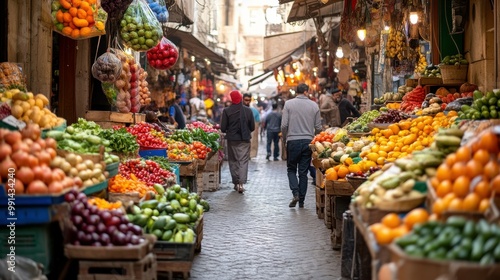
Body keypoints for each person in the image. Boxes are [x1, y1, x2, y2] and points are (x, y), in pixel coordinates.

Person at [281, 83, 322, 208]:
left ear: (296, 91)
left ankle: (295, 193)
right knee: (303, 172)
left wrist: (284, 138)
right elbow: (318, 127)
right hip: (308, 142)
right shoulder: (314, 105)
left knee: (291, 169)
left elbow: (284, 125)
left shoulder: (288, 104)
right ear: (306, 92)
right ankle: (302, 201)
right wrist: (315, 139)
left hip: (292, 141)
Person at [220, 90, 255, 194]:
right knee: (243, 161)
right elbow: (252, 127)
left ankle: (235, 183)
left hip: (232, 140)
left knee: (233, 160)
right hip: (244, 140)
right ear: (241, 98)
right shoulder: (248, 111)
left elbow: (223, 128)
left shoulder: (227, 111)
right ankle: (241, 184)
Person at [243, 93, 261, 159]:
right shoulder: (240, 110)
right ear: (242, 99)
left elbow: (257, 121)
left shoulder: (254, 111)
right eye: (246, 100)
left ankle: (251, 154)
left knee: (253, 139)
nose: (247, 102)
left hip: (252, 127)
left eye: (249, 100)